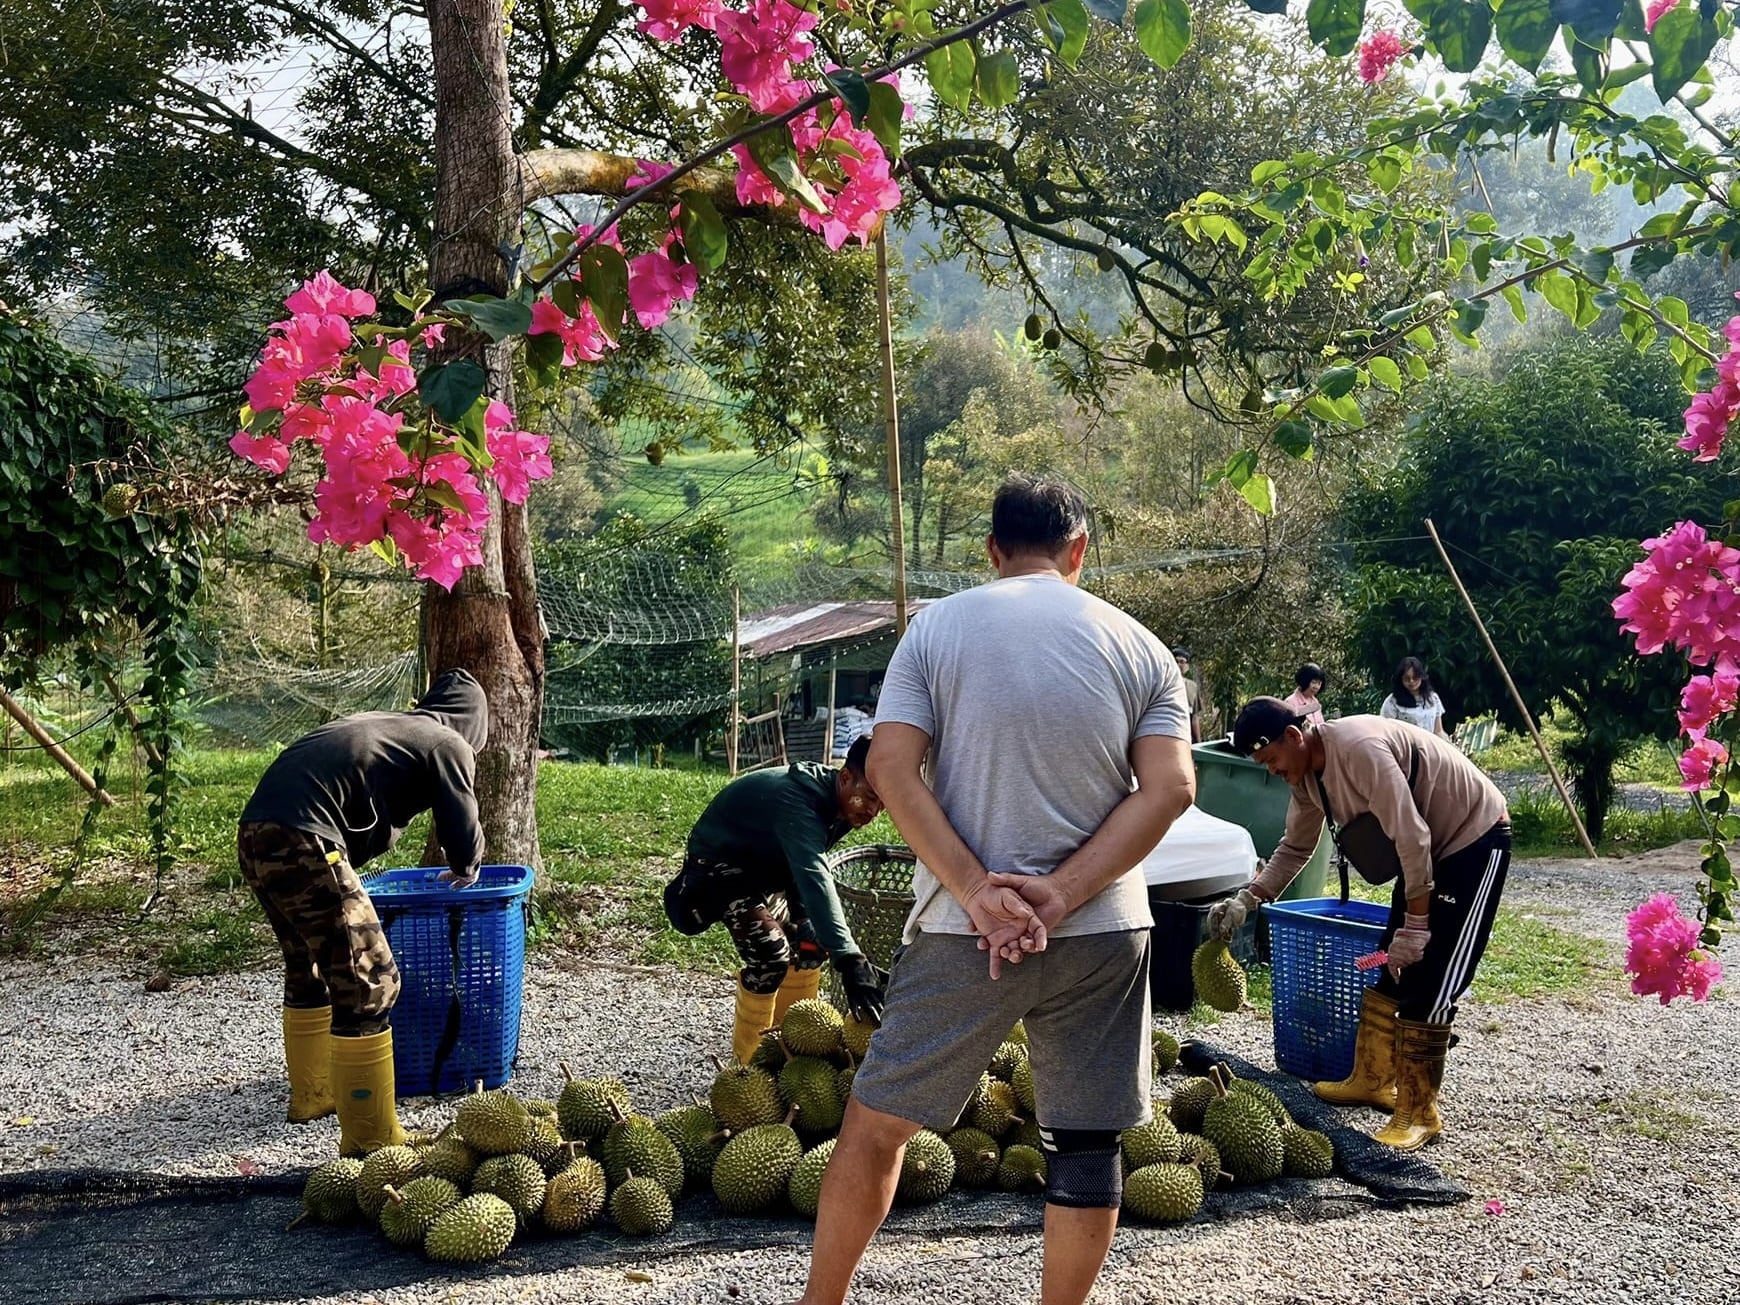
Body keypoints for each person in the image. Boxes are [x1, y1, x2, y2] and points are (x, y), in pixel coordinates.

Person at [791, 475, 1195, 1305]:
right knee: (1085, 1146)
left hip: (961, 929)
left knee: (875, 1127)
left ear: (992, 551)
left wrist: (978, 890)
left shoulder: (937, 628)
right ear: (1079, 551)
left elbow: (892, 767)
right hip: (1104, 929)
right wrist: (1060, 892)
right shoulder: (1143, 647)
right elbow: (1171, 788)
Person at [1208, 697, 1510, 1152]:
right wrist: (1248, 899)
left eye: (1270, 759)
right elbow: (1295, 847)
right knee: (1388, 960)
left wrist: (1418, 926)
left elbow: (1413, 835)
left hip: (1469, 841)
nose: (1270, 770)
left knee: (1431, 973)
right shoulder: (1306, 776)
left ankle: (1418, 1111)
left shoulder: (1360, 748)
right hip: (1420, 857)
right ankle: (1371, 1078)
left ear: (1294, 736)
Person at [237, 669, 489, 1154]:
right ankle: (371, 1137)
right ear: (472, 724)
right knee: (371, 978)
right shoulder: (446, 742)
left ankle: (313, 1095)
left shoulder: (395, 727)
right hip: (305, 837)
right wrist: (468, 864)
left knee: (310, 965)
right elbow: (461, 818)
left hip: (255, 834)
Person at [664, 735, 889, 1063]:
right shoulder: (796, 799)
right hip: (720, 870)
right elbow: (814, 876)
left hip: (768, 870)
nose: (874, 811)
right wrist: (851, 960)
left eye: (882, 803)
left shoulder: (841, 805)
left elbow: (802, 863)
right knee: (771, 956)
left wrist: (805, 920)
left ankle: (796, 1048)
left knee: (811, 945)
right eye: (869, 797)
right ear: (844, 778)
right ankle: (749, 1064)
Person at [1381, 656, 1447, 736]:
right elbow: (1386, 731)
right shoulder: (1392, 702)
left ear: (1421, 676)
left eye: (1415, 677)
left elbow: (1438, 731)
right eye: (1407, 678)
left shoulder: (1433, 698)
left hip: (1429, 745)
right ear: (1401, 679)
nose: (1411, 681)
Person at [1283, 662, 1327, 728]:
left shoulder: (1315, 702)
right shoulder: (1290, 702)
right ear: (1305, 681)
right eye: (1314, 682)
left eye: (1319, 683)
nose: (1316, 687)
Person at [1175, 648, 1203, 743]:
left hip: (1185, 737)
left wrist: (1199, 742)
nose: (1178, 665)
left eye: (1182, 662)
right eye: (1176, 661)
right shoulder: (1162, 683)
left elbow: (1194, 717)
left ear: (1187, 666)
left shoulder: (1192, 687)